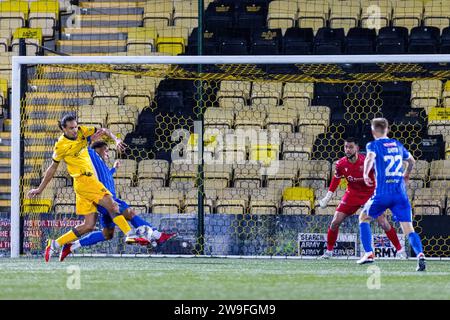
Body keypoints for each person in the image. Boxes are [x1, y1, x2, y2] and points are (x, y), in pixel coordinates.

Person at [28, 114, 143, 262]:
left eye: (76, 126)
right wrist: (40, 189)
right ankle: (130, 234)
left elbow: (103, 130)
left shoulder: (82, 131)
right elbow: (52, 168)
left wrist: (116, 139)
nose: (75, 130)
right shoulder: (60, 145)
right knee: (112, 204)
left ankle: (55, 244)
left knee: (88, 225)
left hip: (83, 184)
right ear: (63, 129)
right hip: (85, 181)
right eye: (71, 128)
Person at [59, 140, 176, 261]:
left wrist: (114, 169)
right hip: (106, 199)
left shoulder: (101, 165)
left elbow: (107, 176)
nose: (107, 153)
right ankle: (157, 235)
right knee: (130, 213)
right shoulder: (90, 155)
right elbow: (83, 144)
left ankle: (72, 246)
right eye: (106, 150)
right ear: (97, 149)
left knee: (107, 234)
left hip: (106, 202)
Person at [358, 118, 426, 271]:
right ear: (387, 129)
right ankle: (420, 254)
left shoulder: (373, 145)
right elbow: (412, 161)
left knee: (363, 217)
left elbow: (369, 158)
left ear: (373, 130)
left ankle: (369, 253)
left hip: (382, 194)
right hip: (400, 194)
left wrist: (365, 174)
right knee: (409, 229)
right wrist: (406, 174)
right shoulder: (397, 144)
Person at [319, 137, 404, 259]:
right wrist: (327, 198)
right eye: (346, 147)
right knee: (335, 222)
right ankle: (329, 251)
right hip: (352, 194)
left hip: (370, 194)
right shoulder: (340, 164)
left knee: (383, 223)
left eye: (350, 147)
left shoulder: (367, 162)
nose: (347, 150)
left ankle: (400, 251)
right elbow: (335, 180)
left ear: (357, 148)